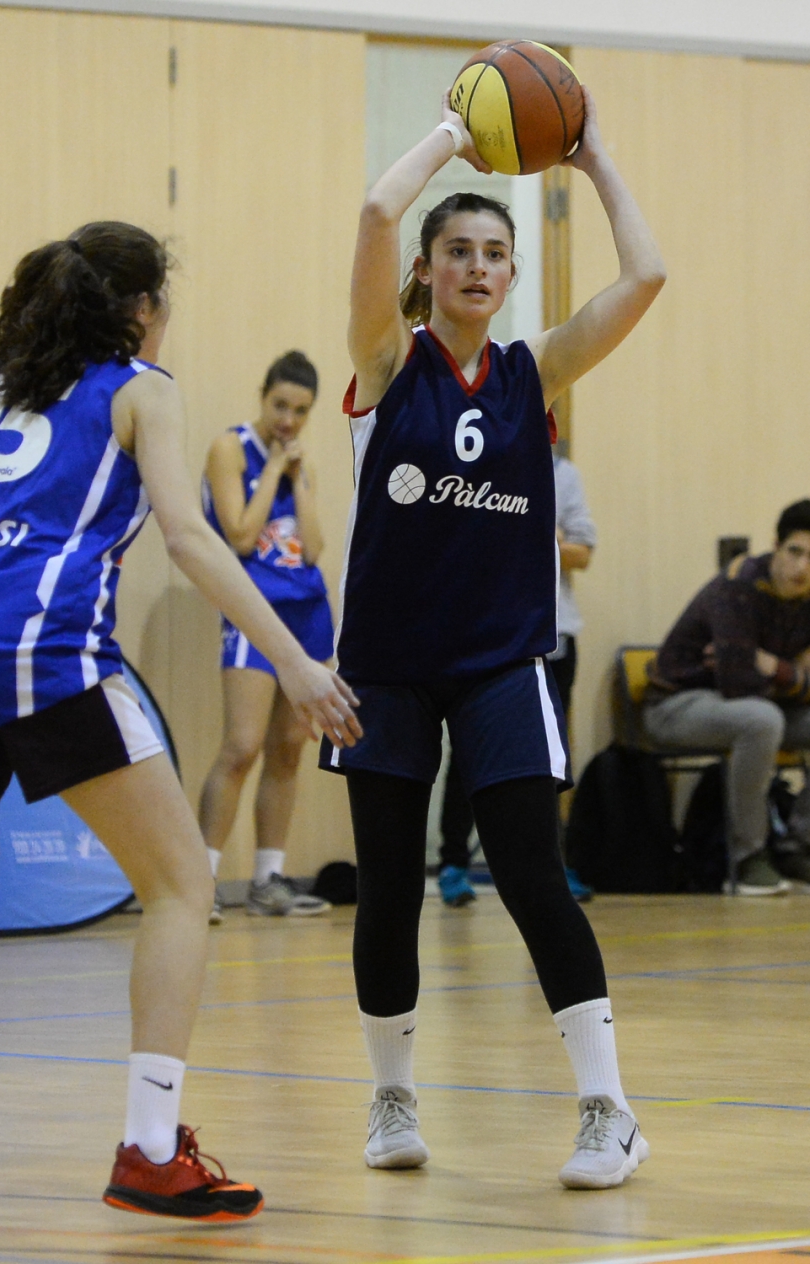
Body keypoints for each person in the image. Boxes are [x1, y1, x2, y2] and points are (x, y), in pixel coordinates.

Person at [0, 222, 360, 1224]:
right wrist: (293, 659)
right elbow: (190, 538)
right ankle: (150, 1150)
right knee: (181, 885)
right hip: (47, 662)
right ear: (143, 309)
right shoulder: (140, 388)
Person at [319, 88, 665, 1188]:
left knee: (531, 877)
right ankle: (391, 1098)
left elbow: (645, 277)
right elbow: (377, 212)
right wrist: (453, 136)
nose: (476, 266)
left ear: (512, 275)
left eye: (494, 254)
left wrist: (593, 158)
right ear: (426, 271)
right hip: (384, 670)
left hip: (499, 668)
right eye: (458, 251)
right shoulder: (387, 360)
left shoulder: (533, 372)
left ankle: (608, 1109)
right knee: (388, 889)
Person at [198, 351, 335, 922]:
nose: (288, 420)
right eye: (281, 405)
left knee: (289, 748)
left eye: (301, 411)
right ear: (263, 395)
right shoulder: (230, 449)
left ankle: (267, 880)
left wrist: (298, 479)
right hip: (253, 611)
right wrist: (276, 470)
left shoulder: (302, 463)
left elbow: (315, 550)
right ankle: (199, 884)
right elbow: (239, 535)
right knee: (242, 746)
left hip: (306, 614)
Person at [437, 450, 597, 907]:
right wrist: (540, 535)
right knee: (466, 751)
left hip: (552, 633)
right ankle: (453, 862)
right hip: (481, 629)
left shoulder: (564, 474)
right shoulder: (471, 459)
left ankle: (553, 863)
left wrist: (528, 535)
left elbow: (582, 553)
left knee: (551, 757)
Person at [643, 499, 810, 894]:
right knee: (761, 720)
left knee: (762, 716)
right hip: (676, 705)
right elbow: (738, 683)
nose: (803, 567)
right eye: (795, 552)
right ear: (775, 546)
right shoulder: (739, 584)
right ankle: (748, 858)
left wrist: (773, 667)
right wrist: (793, 675)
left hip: (758, 704)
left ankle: (798, 847)